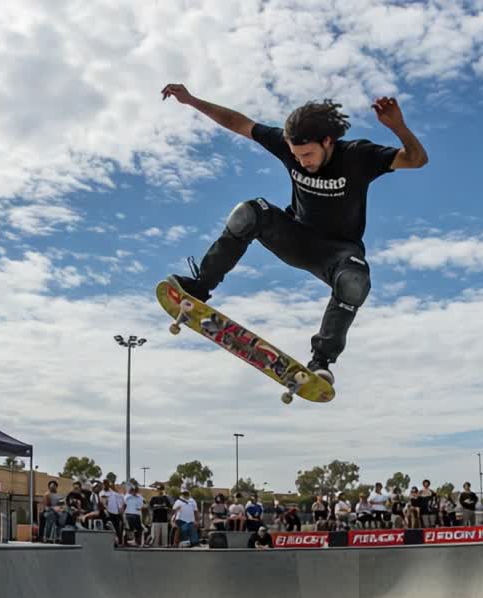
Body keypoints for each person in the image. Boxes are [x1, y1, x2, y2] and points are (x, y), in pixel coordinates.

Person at [161, 85, 428, 385]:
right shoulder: (288, 146)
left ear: (328, 141)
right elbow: (238, 123)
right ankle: (199, 288)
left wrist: (398, 127)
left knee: (355, 281)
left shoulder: (358, 156)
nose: (303, 162)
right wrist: (192, 100)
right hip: (296, 237)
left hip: (338, 253)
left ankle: (321, 362)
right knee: (249, 212)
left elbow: (416, 159)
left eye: (309, 154)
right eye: (296, 156)